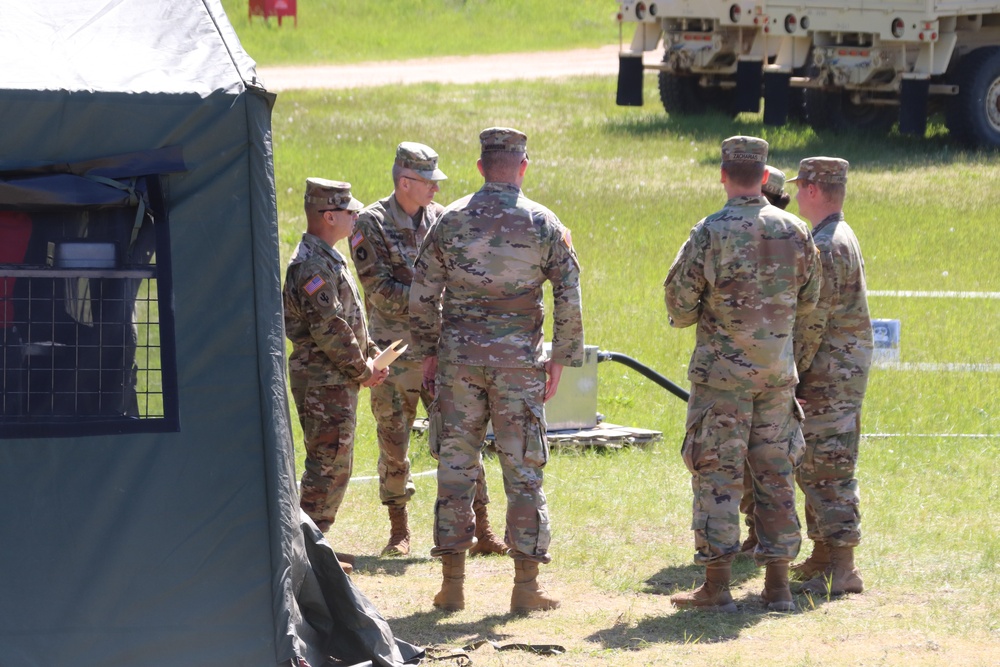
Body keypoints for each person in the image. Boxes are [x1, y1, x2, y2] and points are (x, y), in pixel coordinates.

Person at [409, 127, 584, 613]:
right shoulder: (544, 223)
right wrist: (560, 358)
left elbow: (423, 290)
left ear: (482, 166)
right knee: (523, 470)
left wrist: (428, 351)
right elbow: (569, 292)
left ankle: (452, 586)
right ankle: (526, 589)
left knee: (455, 468)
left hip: (459, 362)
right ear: (523, 167)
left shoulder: (452, 219)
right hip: (517, 367)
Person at [664, 136, 822, 613]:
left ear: (723, 174)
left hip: (722, 382)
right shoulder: (796, 230)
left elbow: (678, 304)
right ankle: (777, 588)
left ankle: (716, 586)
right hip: (776, 379)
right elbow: (810, 301)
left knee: (717, 476)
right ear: (765, 174)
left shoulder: (710, 231)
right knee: (775, 475)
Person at [351, 142, 507, 558]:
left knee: (463, 435)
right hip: (395, 354)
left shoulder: (441, 220)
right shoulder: (371, 223)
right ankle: (399, 531)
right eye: (428, 182)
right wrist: (436, 296)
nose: (436, 190)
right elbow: (380, 291)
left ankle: (483, 529)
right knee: (394, 440)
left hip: (443, 352)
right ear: (405, 182)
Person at [283, 178, 389, 574]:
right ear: (329, 216)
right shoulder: (311, 265)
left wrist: (373, 353)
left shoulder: (327, 257)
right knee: (327, 465)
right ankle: (304, 554)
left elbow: (349, 319)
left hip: (334, 378)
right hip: (322, 381)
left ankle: (315, 547)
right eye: (349, 212)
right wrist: (363, 369)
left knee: (334, 464)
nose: (356, 216)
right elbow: (329, 327)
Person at [787, 157, 873, 596]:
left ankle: (845, 567)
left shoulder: (827, 244)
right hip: (838, 369)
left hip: (829, 373)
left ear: (814, 190)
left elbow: (812, 323)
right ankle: (823, 554)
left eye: (801, 186)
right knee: (813, 462)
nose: (797, 193)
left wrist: (791, 375)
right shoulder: (837, 234)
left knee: (830, 467)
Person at [738, 163, 791, 556]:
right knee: (767, 461)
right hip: (775, 370)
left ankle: (761, 536)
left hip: (736, 371)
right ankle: (761, 537)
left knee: (759, 461)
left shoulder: (728, 230)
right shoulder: (797, 236)